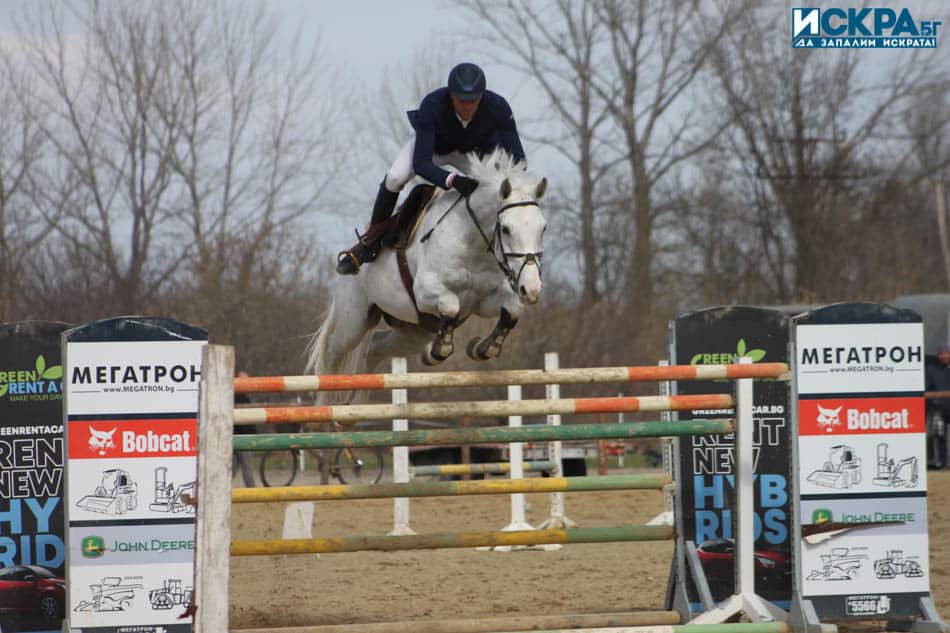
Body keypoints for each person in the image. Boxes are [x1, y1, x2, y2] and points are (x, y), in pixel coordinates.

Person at [337, 62, 527, 274]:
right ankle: (369, 243)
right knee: (395, 177)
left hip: (472, 156)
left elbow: (518, 160)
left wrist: (502, 181)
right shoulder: (433, 104)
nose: (466, 107)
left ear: (482, 97)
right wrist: (453, 180)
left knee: (497, 190)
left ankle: (503, 255)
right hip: (434, 149)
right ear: (450, 95)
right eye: (460, 100)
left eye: (472, 101)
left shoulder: (498, 107)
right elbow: (421, 164)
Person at [926, 344, 950, 469]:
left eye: (947, 353)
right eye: (942, 354)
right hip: (939, 408)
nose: (945, 356)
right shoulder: (931, 370)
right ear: (938, 355)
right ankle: (943, 464)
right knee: (940, 437)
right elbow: (927, 387)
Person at [233, 371, 258, 487]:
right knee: (247, 465)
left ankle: (222, 485)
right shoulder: (242, 398)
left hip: (234, 436)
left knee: (234, 465)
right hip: (242, 437)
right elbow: (247, 422)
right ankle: (252, 489)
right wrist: (252, 433)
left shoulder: (233, 397)